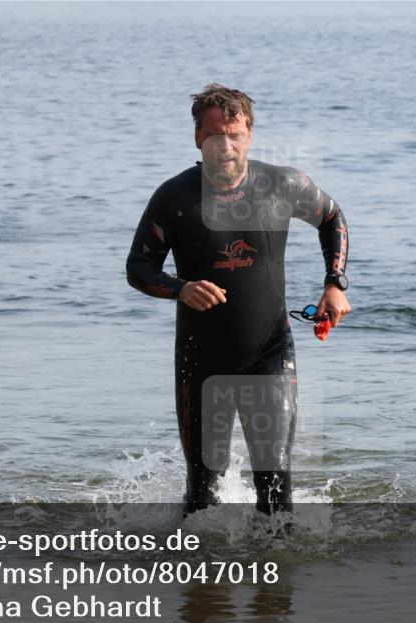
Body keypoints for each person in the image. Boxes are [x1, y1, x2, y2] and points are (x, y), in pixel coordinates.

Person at [126, 84, 351, 515]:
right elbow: (139, 268)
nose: (225, 146)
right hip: (199, 360)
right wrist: (180, 288)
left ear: (249, 134)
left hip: (269, 351)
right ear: (198, 138)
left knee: (275, 487)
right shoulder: (175, 199)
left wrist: (335, 283)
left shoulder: (282, 185)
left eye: (235, 134)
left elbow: (332, 217)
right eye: (214, 135)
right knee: (203, 494)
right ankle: (201, 581)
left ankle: (276, 579)